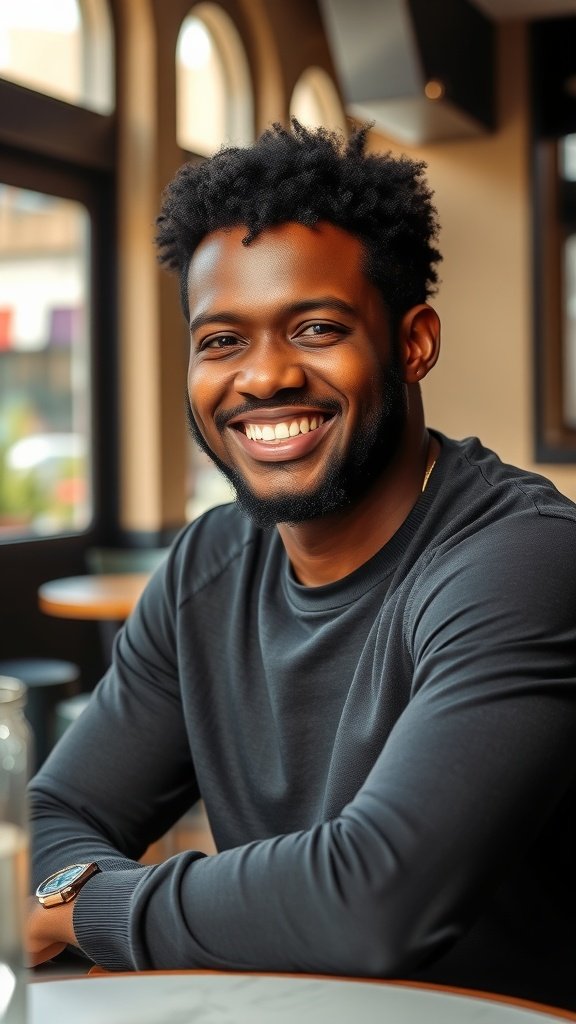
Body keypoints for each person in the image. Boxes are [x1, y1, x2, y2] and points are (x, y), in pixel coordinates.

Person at [27, 121, 576, 1010]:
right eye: (221, 341)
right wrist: (83, 893)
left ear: (413, 342)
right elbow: (55, 817)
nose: (264, 378)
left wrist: (90, 906)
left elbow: (378, 899)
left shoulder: (525, 560)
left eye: (316, 327)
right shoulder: (207, 563)